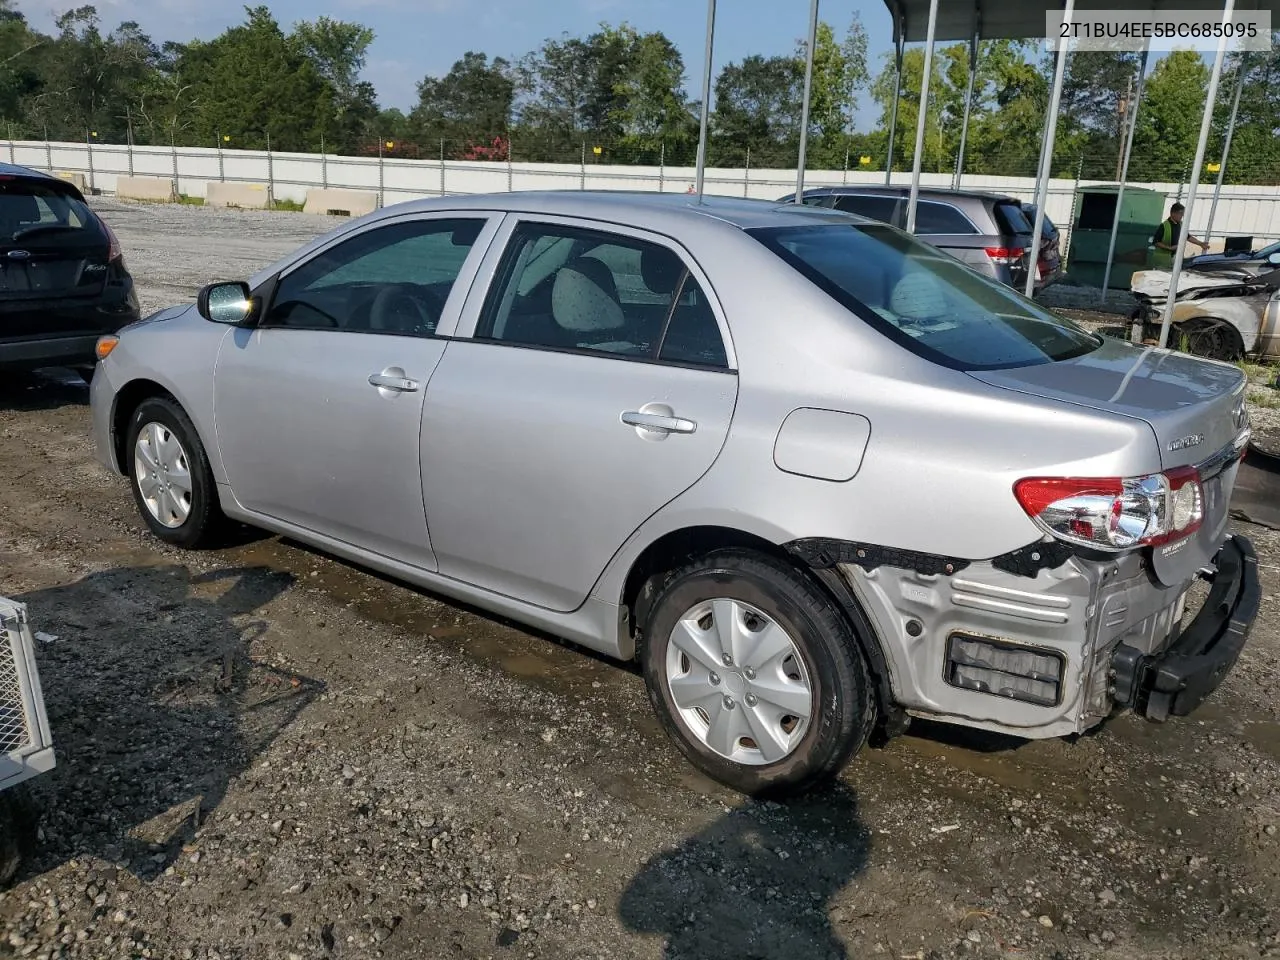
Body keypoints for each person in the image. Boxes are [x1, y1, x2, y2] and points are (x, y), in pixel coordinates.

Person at [1151, 202, 1208, 269]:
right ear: (1173, 213)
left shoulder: (1180, 224)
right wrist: (1169, 248)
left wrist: (1200, 244)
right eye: (1180, 213)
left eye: (1182, 213)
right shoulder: (1163, 226)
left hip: (1174, 258)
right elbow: (1156, 242)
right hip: (1162, 260)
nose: (1182, 216)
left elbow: (1188, 237)